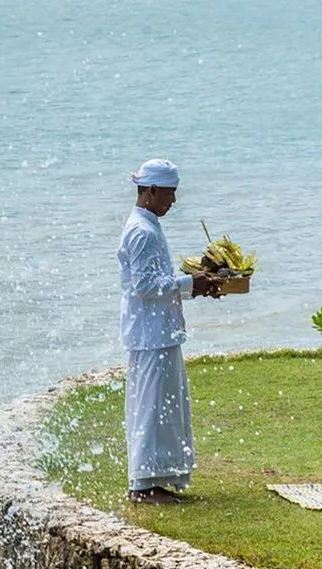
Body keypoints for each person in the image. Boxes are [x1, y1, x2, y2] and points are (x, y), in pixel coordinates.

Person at [119, 159, 222, 504]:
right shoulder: (142, 231)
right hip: (151, 334)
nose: (173, 202)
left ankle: (155, 478)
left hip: (157, 331)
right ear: (151, 191)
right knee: (151, 407)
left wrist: (193, 286)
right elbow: (146, 285)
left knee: (163, 406)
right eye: (169, 194)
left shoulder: (147, 225)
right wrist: (190, 283)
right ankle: (142, 486)